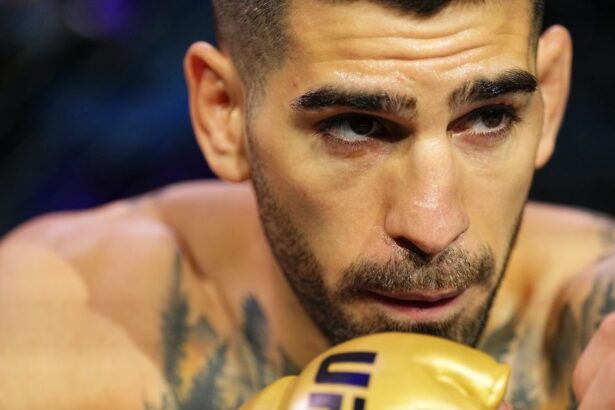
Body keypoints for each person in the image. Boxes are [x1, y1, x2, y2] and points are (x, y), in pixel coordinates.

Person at [1, 0, 614, 408]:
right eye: (355, 127)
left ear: (549, 97)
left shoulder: (595, 316)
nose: (433, 225)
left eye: (489, 117)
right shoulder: (53, 331)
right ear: (223, 113)